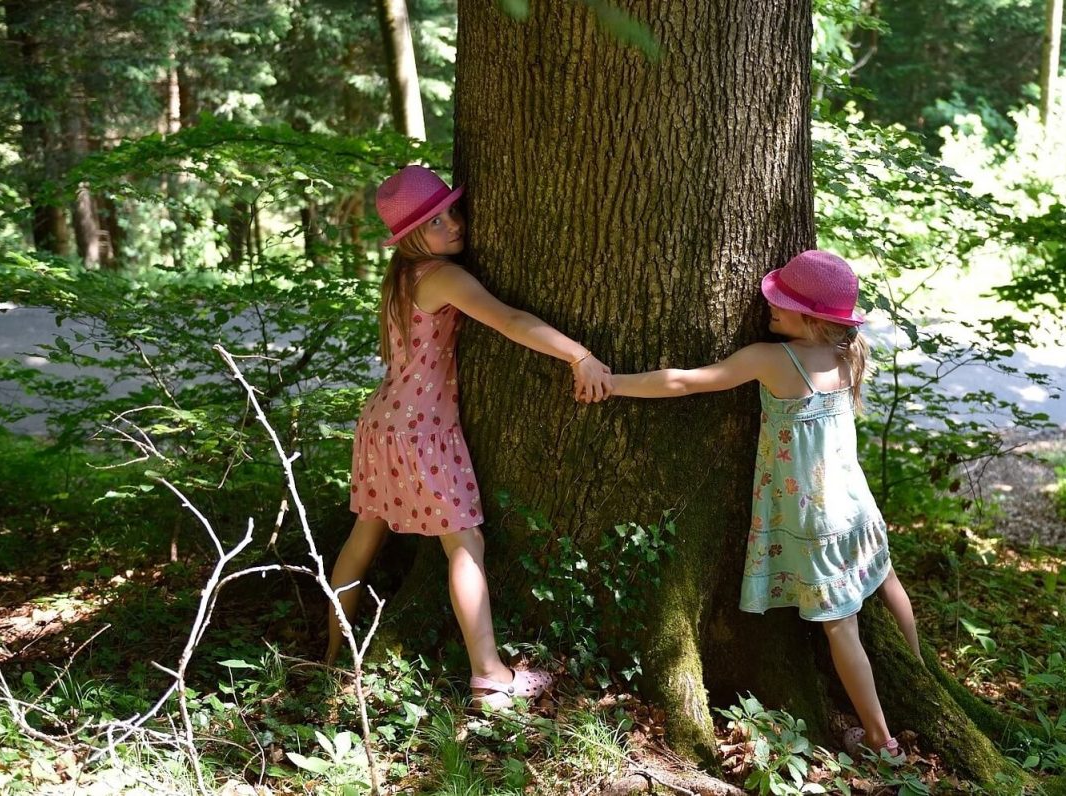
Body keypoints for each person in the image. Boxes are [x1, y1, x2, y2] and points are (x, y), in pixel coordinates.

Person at [610, 249, 923, 761]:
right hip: (856, 506)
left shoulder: (773, 359)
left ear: (813, 318)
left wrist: (613, 384)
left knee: (841, 627)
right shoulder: (848, 355)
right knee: (886, 580)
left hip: (815, 522)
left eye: (782, 301)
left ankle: (880, 737)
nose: (767, 303)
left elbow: (685, 381)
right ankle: (918, 673)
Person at [325, 165, 612, 710]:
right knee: (464, 543)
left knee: (365, 534)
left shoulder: (401, 276)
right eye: (437, 221)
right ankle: (489, 675)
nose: (454, 224)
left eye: (451, 211)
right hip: (421, 432)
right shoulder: (442, 277)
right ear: (413, 235)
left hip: (381, 423)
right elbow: (509, 319)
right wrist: (578, 353)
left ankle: (334, 653)